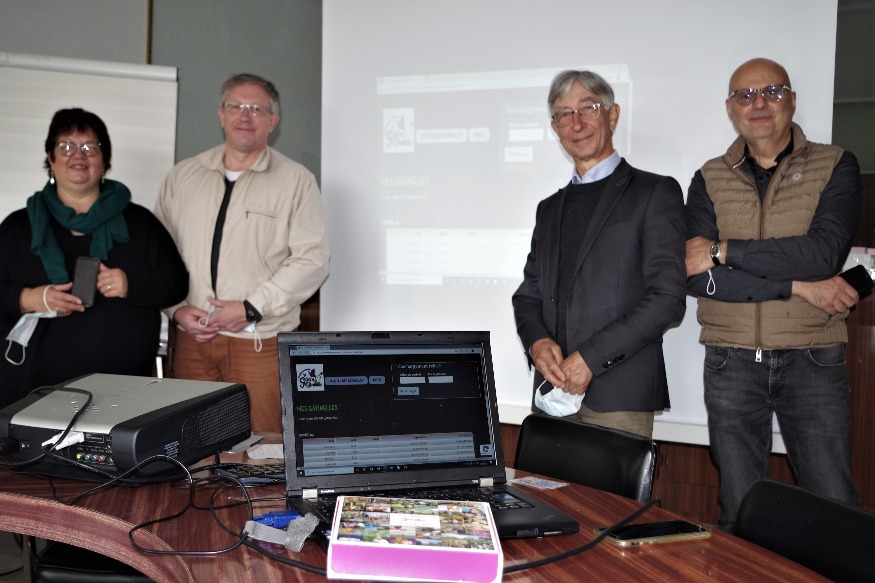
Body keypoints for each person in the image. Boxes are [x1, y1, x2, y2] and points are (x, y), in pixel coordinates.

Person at [684, 58, 861, 531]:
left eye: (773, 91)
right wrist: (797, 285)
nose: (759, 103)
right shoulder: (709, 177)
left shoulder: (835, 164)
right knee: (740, 508)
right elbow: (695, 275)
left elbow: (822, 254)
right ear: (730, 108)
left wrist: (723, 250)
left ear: (793, 100)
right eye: (745, 95)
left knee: (834, 504)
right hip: (731, 360)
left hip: (812, 356)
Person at [512, 70, 687, 438]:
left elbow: (667, 299)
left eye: (588, 108)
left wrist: (591, 359)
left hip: (619, 398)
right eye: (564, 114)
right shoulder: (548, 209)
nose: (577, 123)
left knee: (615, 484)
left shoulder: (654, 193)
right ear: (555, 128)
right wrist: (537, 343)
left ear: (613, 115)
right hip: (553, 396)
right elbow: (528, 295)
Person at [155, 73, 330, 434]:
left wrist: (252, 307)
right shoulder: (183, 176)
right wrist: (176, 309)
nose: (245, 116)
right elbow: (157, 254)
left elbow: (312, 260)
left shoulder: (296, 181)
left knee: (264, 449)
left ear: (273, 120)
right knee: (193, 447)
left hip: (259, 342)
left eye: (256, 109)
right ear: (221, 114)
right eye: (236, 106)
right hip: (192, 341)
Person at [0, 108, 189, 408]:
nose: (78, 155)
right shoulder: (17, 227)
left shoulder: (140, 223)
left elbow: (177, 284)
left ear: (105, 161)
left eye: (90, 147)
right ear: (51, 158)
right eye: (66, 146)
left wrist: (131, 284)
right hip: (32, 391)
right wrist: (28, 298)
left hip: (122, 392)